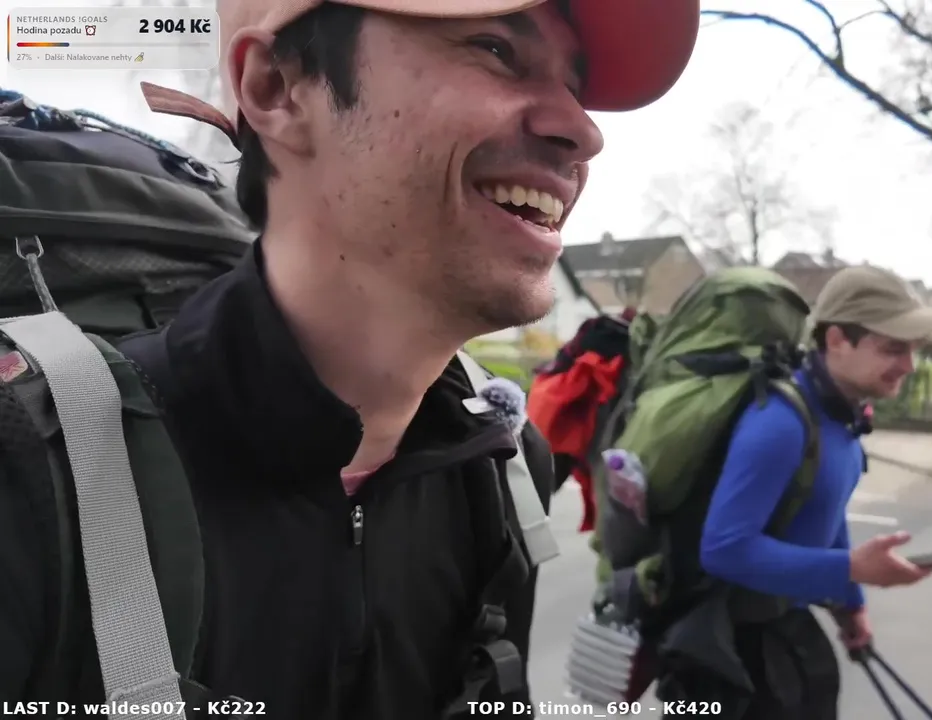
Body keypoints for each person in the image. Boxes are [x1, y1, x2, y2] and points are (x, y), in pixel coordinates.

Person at [0, 1, 698, 718]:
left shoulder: (505, 468)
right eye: (495, 49)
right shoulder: (32, 482)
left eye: (574, 85)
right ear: (276, 87)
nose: (583, 132)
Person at [694, 263, 932, 719]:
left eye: (913, 349)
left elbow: (822, 510)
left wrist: (850, 604)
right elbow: (723, 549)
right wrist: (850, 569)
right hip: (737, 661)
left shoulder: (840, 417)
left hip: (788, 636)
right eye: (893, 348)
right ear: (837, 340)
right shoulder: (779, 423)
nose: (909, 365)